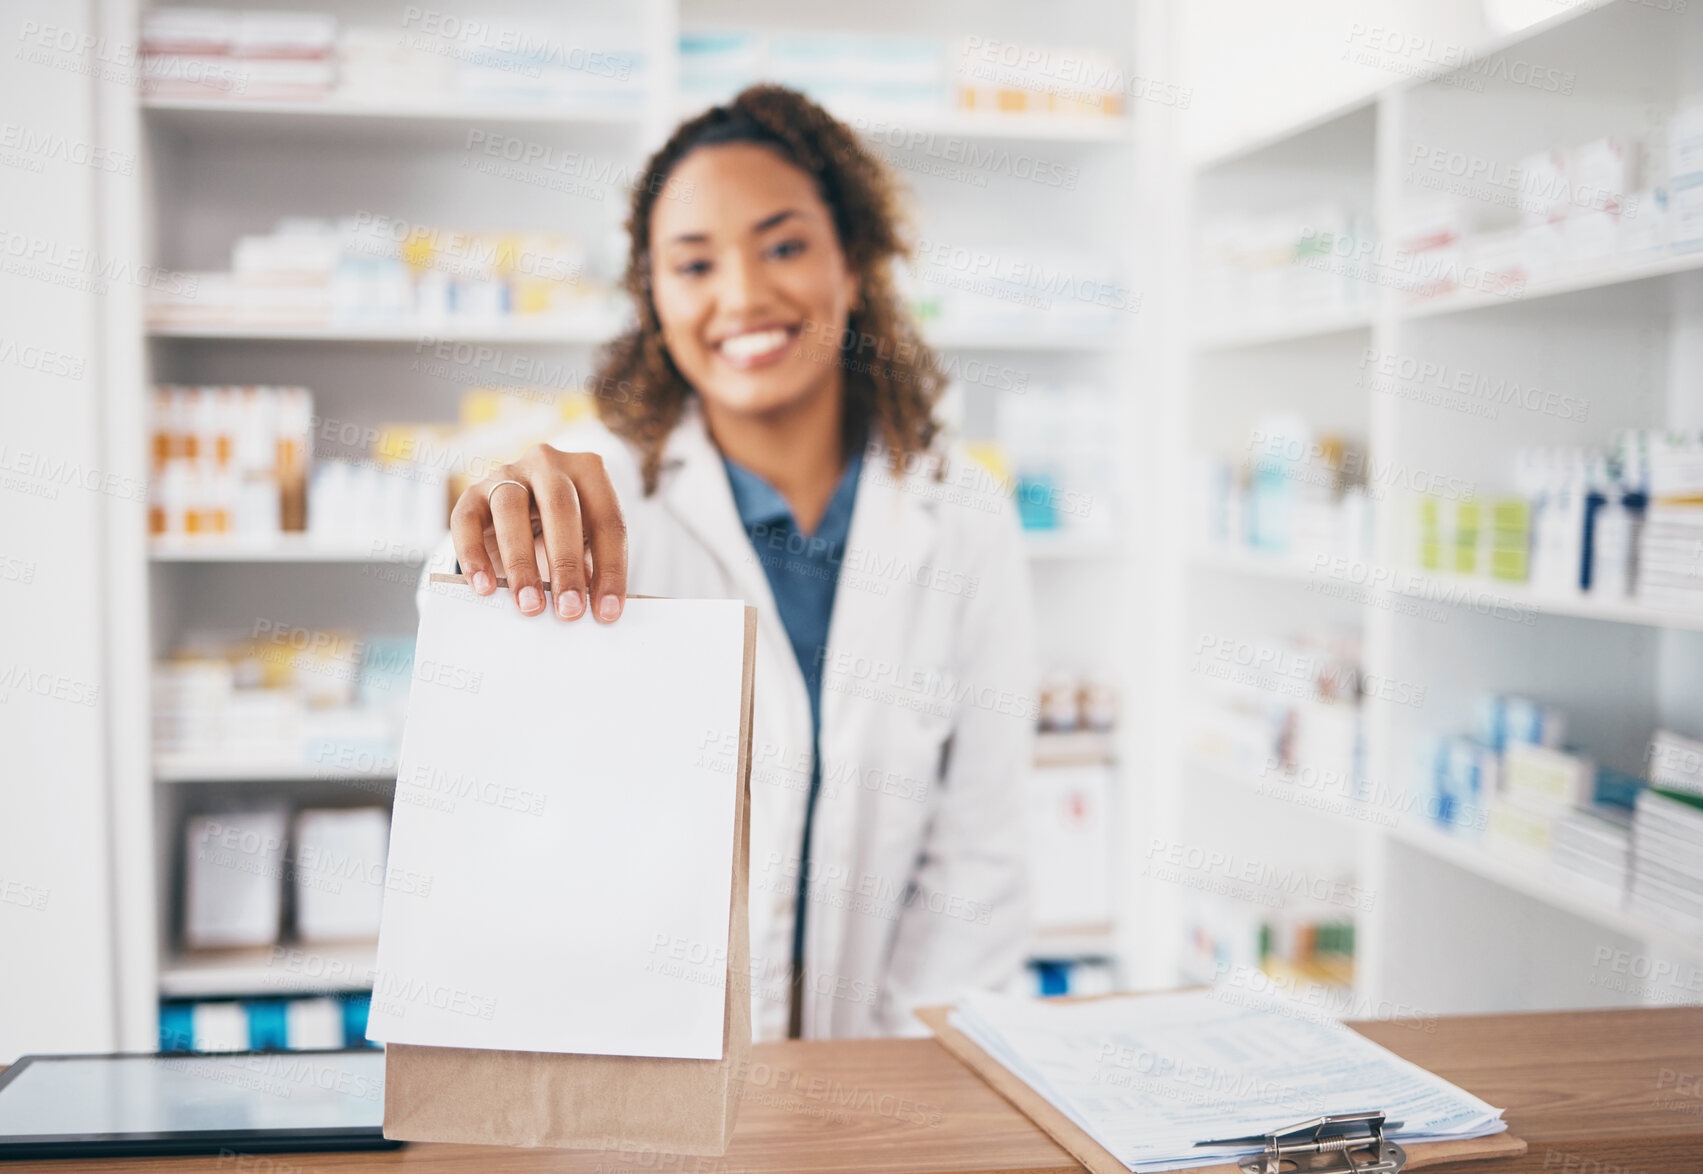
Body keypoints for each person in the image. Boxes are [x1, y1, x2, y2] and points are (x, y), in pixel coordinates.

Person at [429, 84, 1036, 1040]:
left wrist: (888, 1095)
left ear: (854, 262)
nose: (744, 296)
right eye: (694, 264)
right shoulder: (603, 504)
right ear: (654, 300)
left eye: (784, 245)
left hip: (889, 1090)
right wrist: (492, 531)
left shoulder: (964, 518)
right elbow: (495, 800)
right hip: (639, 1081)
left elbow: (980, 860)